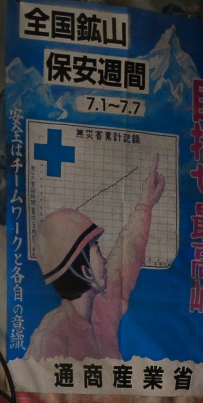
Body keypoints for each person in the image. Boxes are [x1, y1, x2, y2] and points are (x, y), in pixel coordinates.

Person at [25, 155, 165, 362]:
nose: (106, 261)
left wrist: (145, 204)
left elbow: (125, 260)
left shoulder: (100, 312)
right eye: (98, 252)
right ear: (84, 271)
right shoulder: (50, 337)